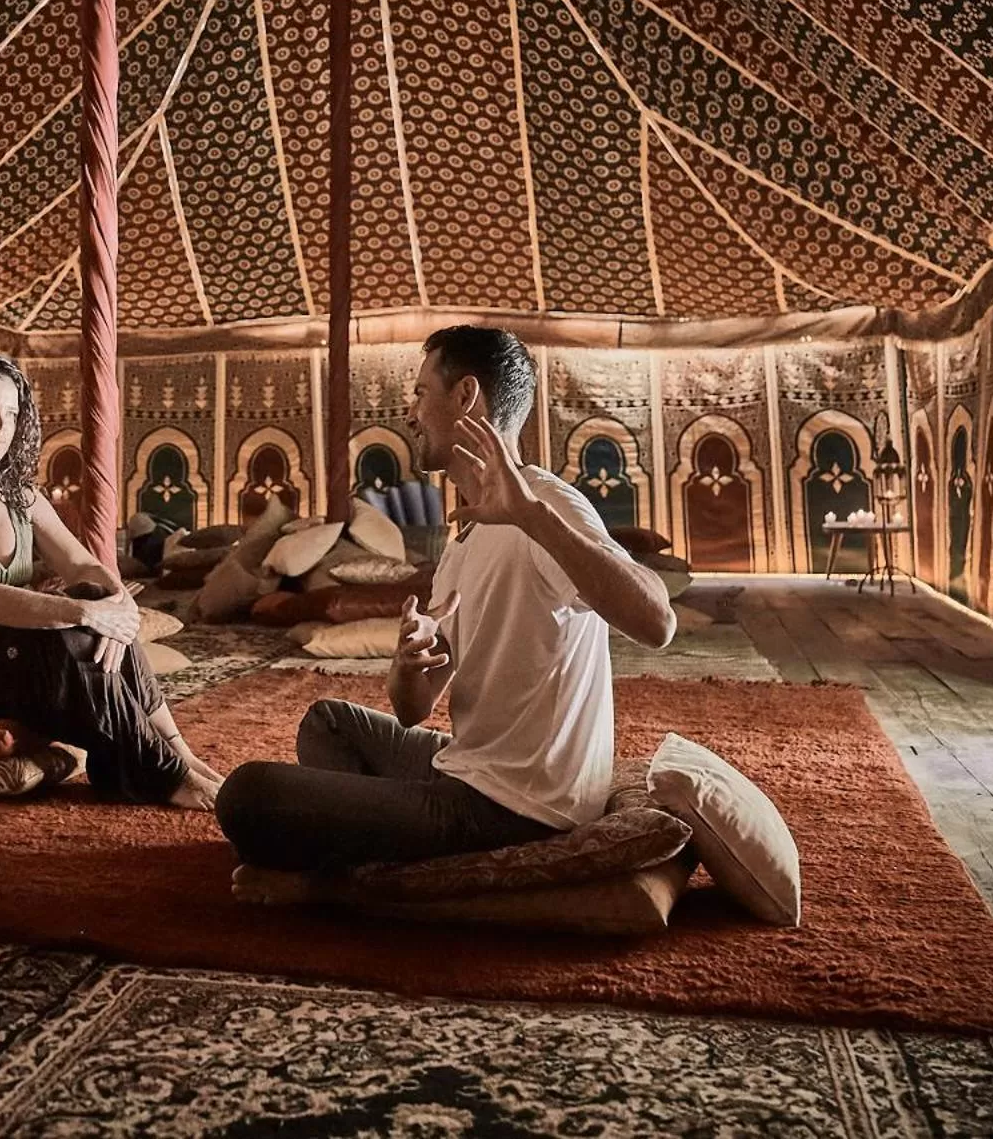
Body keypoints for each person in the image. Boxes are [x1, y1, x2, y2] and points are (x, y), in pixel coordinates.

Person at [215, 326, 678, 895]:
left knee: (249, 794)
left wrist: (530, 515)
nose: (410, 414)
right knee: (328, 722)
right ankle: (368, 843)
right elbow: (413, 709)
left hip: (518, 803)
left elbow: (658, 622)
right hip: (469, 769)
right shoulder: (463, 538)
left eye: (419, 393)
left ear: (464, 396)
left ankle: (340, 884)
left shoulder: (548, 504)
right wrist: (407, 665)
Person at [0, 353, 222, 810]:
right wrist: (87, 614)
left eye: (12, 413)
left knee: (93, 601)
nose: (1, 425)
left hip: (7, 666)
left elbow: (82, 566)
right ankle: (164, 773)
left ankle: (177, 752)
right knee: (69, 626)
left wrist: (117, 606)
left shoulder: (19, 495)